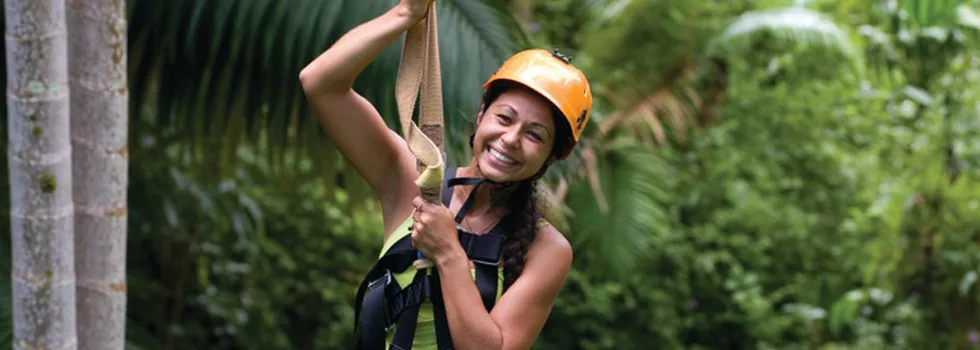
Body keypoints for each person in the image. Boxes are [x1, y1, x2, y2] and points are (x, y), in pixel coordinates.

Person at [299, 0, 591, 348]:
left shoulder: (547, 250)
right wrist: (405, 15)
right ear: (482, 115)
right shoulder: (411, 178)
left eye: (535, 135)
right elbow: (320, 84)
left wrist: (448, 253)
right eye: (504, 118)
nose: (511, 139)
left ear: (555, 154)